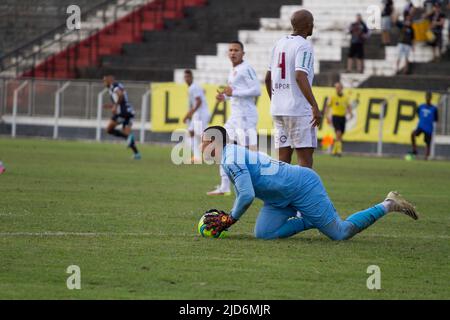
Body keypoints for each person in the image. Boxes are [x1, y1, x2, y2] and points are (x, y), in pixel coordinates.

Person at [200, 126, 419, 240]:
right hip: (278, 200)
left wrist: (231, 218)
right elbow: (245, 193)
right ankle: (309, 220)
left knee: (340, 233)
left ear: (213, 142)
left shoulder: (231, 158)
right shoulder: (230, 155)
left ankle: (388, 204)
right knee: (263, 235)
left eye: (203, 142)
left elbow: (246, 195)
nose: (200, 147)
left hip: (302, 186)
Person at [265, 9, 322, 168]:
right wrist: (314, 106)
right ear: (308, 25)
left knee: (282, 162)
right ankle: (304, 194)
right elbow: (300, 76)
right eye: (312, 24)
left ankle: (279, 193)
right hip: (298, 111)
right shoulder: (304, 46)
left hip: (278, 110)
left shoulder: (279, 44)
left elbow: (267, 79)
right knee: (305, 161)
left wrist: (276, 101)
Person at [207, 41, 261, 196]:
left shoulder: (246, 68)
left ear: (243, 53)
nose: (233, 53)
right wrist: (224, 97)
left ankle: (260, 183)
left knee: (249, 153)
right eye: (230, 50)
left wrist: (233, 93)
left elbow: (256, 90)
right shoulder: (233, 70)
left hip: (246, 116)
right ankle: (224, 186)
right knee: (221, 144)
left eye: (236, 50)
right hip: (235, 116)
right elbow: (235, 94)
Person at [103, 75, 141, 160]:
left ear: (110, 80)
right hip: (128, 111)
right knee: (126, 133)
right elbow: (122, 100)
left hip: (122, 112)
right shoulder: (118, 85)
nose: (104, 83)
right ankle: (137, 154)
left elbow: (120, 96)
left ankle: (128, 137)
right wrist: (111, 106)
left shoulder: (114, 86)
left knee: (109, 129)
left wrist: (115, 106)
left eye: (105, 81)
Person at [182, 69, 210, 163]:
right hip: (200, 113)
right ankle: (197, 157)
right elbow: (202, 93)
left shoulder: (193, 88)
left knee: (200, 135)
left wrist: (188, 114)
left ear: (191, 77)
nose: (186, 79)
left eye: (188, 77)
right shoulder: (195, 87)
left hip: (200, 113)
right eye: (185, 77)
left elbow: (199, 101)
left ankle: (215, 151)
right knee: (193, 133)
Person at [324, 82, 354, 157]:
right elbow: (327, 106)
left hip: (343, 117)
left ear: (341, 88)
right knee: (338, 132)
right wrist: (327, 116)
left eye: (338, 87)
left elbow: (349, 106)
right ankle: (339, 150)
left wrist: (350, 113)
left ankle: (334, 150)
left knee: (341, 134)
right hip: (335, 117)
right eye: (336, 88)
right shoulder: (333, 97)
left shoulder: (346, 97)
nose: (337, 89)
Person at [410, 91, 439, 160]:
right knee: (413, 134)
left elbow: (436, 119)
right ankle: (415, 150)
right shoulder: (421, 106)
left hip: (428, 128)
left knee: (427, 143)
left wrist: (429, 120)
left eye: (429, 97)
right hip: (421, 126)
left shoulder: (434, 108)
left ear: (431, 98)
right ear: (425, 97)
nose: (427, 98)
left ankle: (426, 157)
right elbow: (418, 114)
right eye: (427, 97)